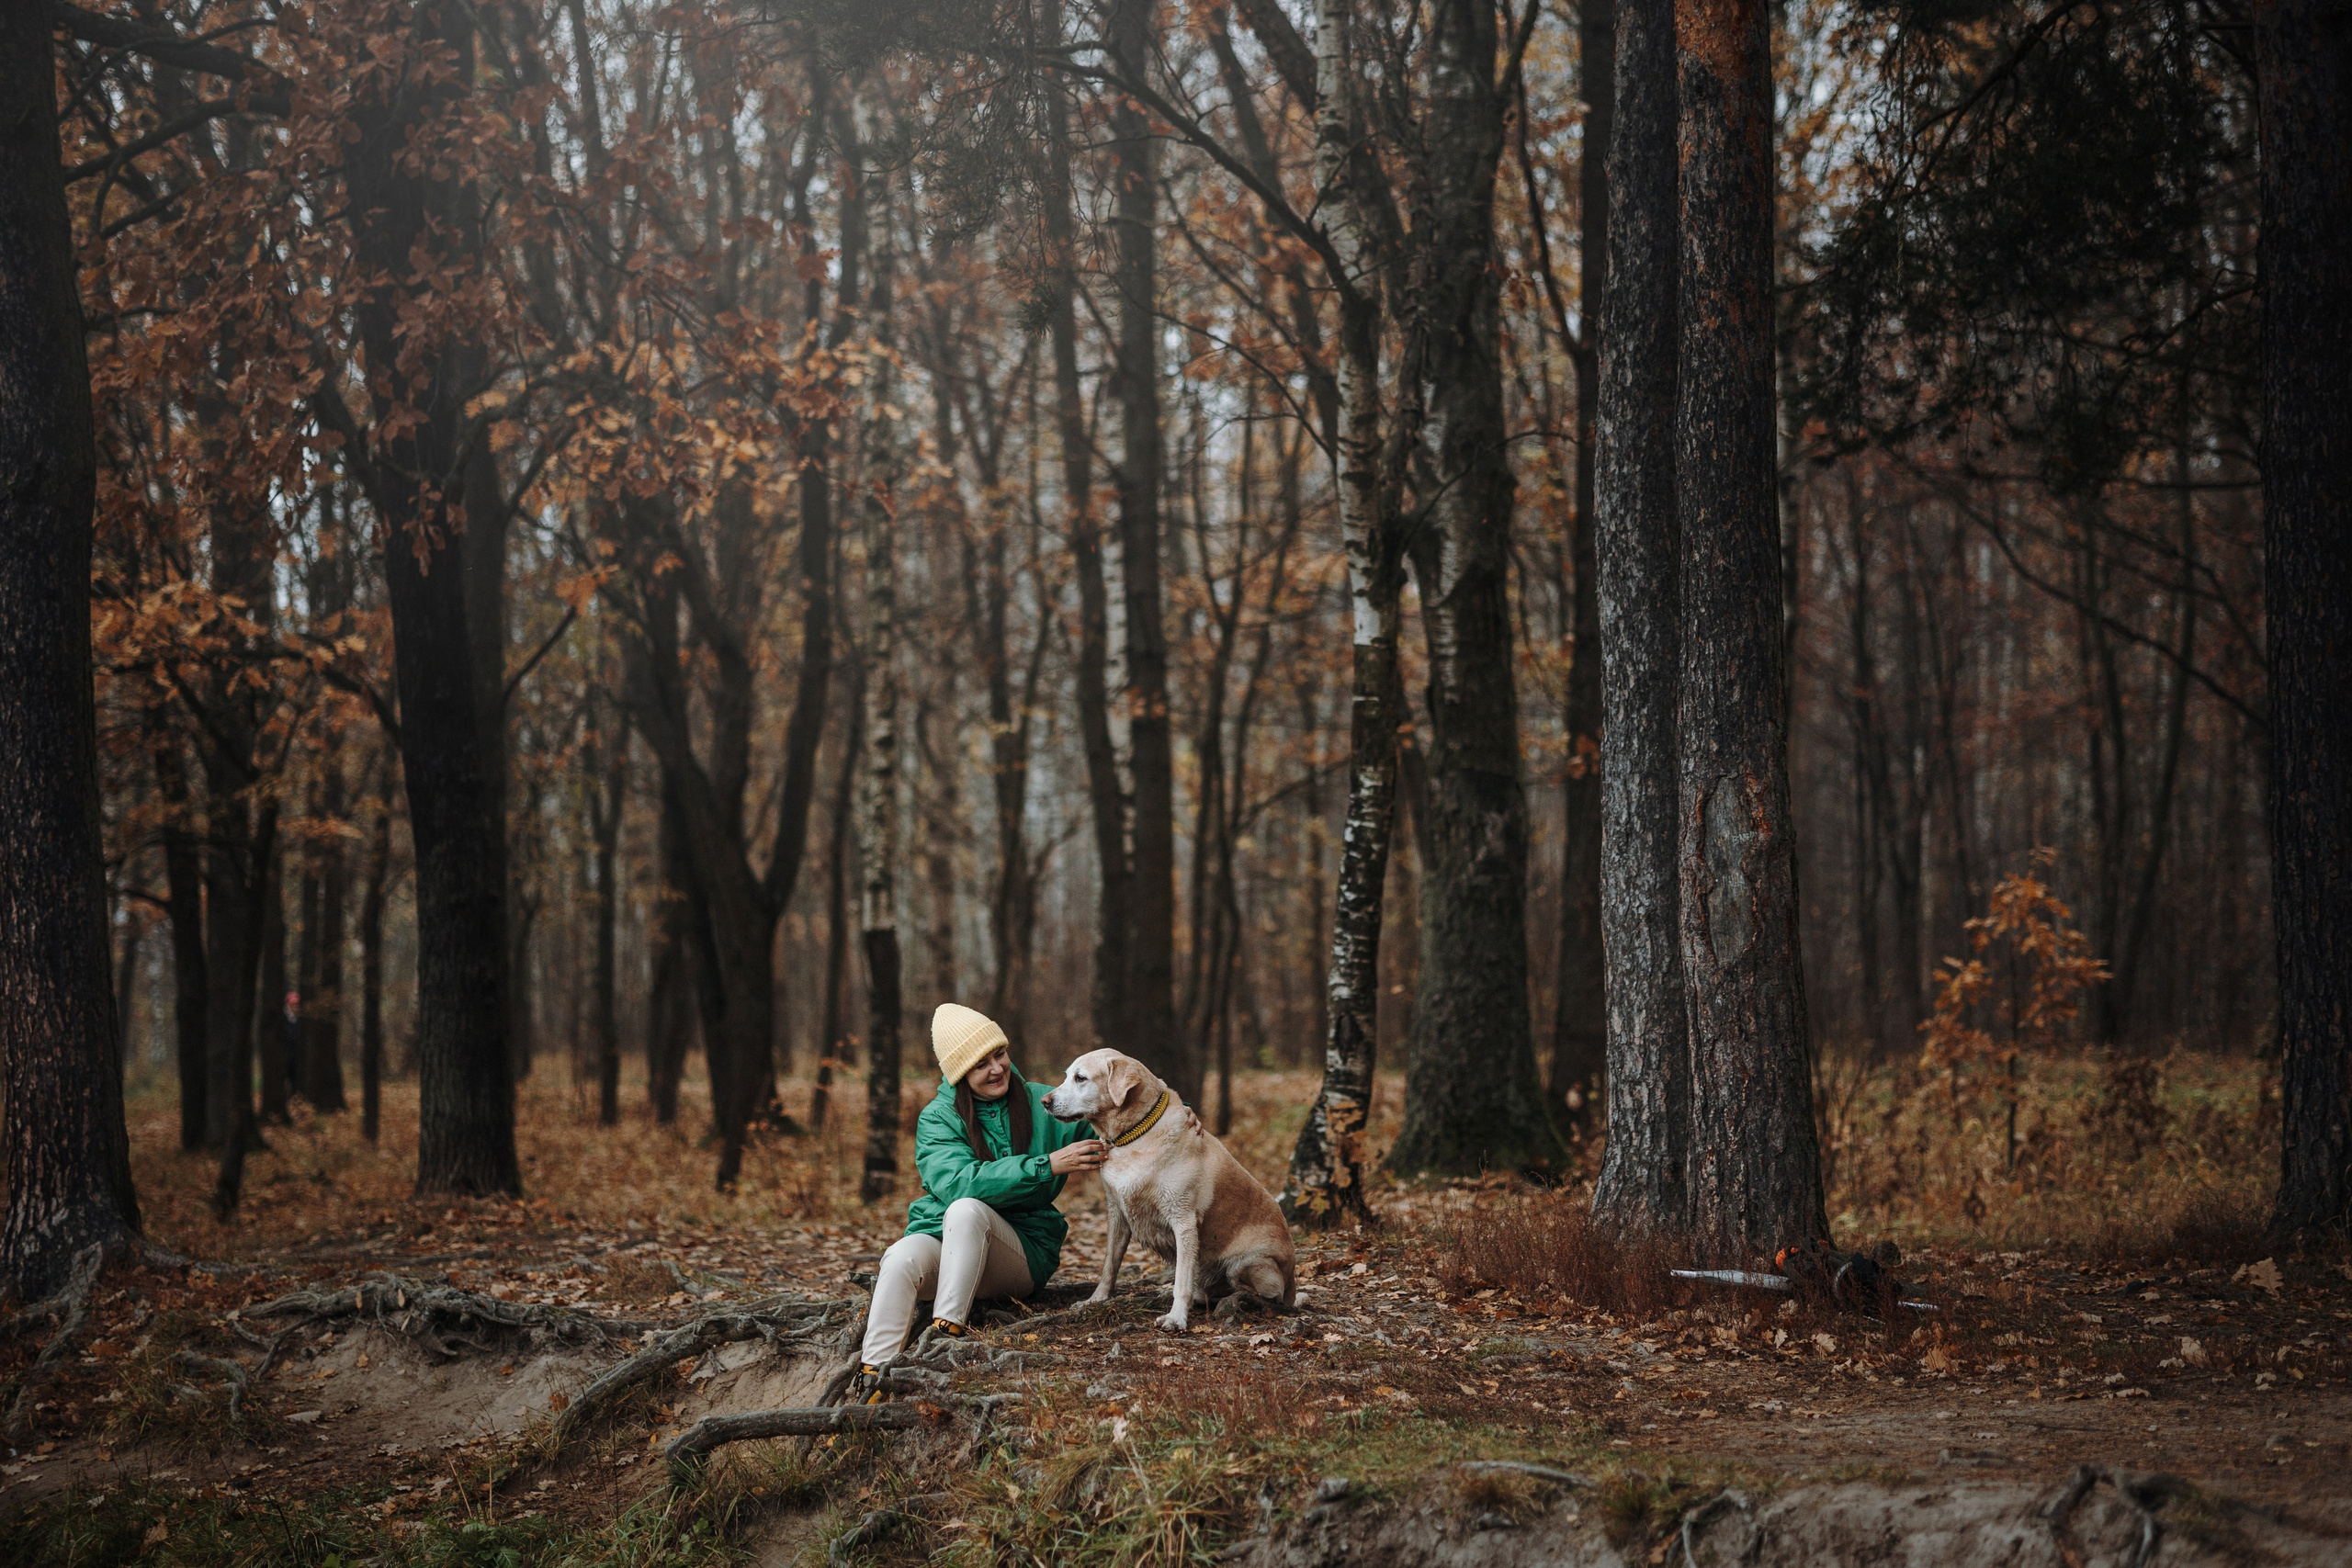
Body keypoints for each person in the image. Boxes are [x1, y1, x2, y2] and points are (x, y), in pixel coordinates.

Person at [854, 1004, 1108, 1398]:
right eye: (979, 1064)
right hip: (948, 1241)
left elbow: (1125, 1107)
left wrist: (1175, 1114)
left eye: (999, 1054)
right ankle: (873, 1382)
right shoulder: (938, 1118)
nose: (996, 1068)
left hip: (1021, 1253)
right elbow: (957, 1184)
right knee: (901, 1257)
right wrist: (1046, 1165)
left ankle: (943, 1340)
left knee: (968, 1211)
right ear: (959, 1074)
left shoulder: (1046, 1103)